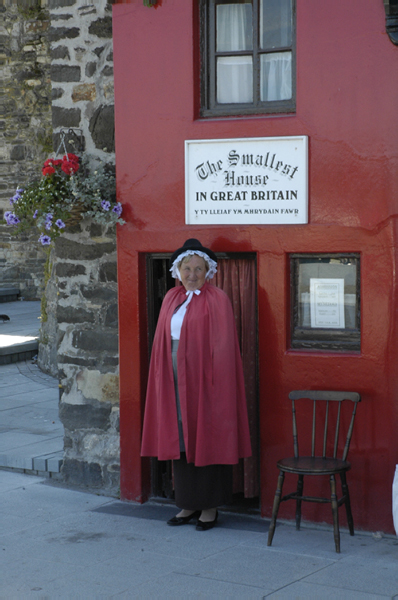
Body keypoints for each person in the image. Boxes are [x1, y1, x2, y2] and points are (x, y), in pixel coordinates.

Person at [141, 238, 251, 531]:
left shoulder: (217, 299)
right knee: (180, 436)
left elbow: (225, 347)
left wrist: (214, 383)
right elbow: (163, 342)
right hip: (174, 377)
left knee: (206, 434)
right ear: (178, 271)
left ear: (208, 271)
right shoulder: (171, 298)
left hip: (207, 380)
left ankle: (210, 507)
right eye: (187, 268)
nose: (192, 274)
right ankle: (188, 503)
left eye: (198, 269)